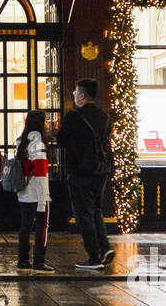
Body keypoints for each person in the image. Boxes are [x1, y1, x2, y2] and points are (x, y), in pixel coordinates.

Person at [58, 78, 115, 270]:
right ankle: (105, 247)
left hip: (80, 171)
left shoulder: (73, 117)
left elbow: (61, 140)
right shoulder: (105, 117)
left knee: (84, 214)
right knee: (96, 210)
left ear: (82, 95)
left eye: (75, 92)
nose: (73, 95)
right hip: (100, 171)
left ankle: (94, 257)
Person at [14, 110, 53, 273]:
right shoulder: (39, 145)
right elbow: (41, 175)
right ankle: (39, 260)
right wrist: (44, 199)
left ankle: (23, 259)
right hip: (38, 194)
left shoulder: (21, 142)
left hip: (23, 193)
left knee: (25, 226)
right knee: (42, 227)